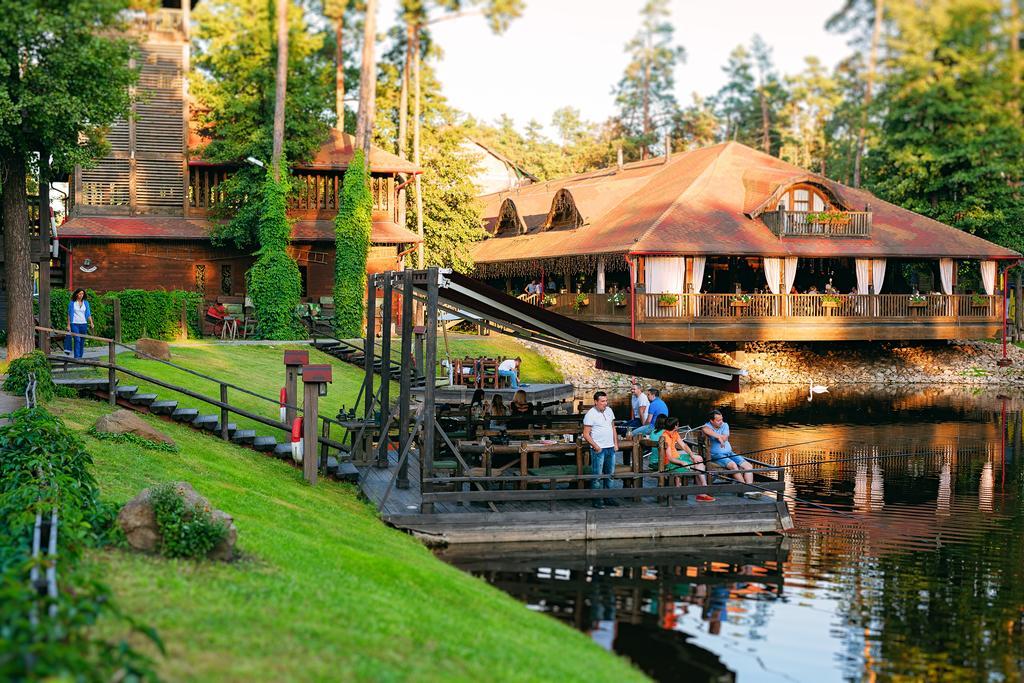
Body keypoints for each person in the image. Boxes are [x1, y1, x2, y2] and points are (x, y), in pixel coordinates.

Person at [659, 417, 714, 501]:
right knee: (698, 465)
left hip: (677, 457)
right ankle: (703, 491)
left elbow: (684, 446)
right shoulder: (665, 436)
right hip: (670, 462)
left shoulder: (675, 433)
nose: (679, 426)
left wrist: (692, 455)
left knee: (698, 459)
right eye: (678, 424)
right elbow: (670, 458)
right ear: (675, 426)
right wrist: (682, 462)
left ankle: (703, 487)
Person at [701, 409, 755, 490]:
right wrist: (718, 436)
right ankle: (745, 488)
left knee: (748, 466)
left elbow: (725, 438)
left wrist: (719, 437)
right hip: (716, 455)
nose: (721, 421)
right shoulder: (707, 426)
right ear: (711, 421)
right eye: (718, 420)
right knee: (733, 465)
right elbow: (705, 429)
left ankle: (750, 488)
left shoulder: (725, 425)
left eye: (722, 419)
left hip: (729, 453)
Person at [582, 391, 619, 509]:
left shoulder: (609, 411)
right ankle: (597, 499)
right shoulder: (590, 414)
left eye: (606, 401)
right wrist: (596, 446)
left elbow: (613, 428)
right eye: (602, 401)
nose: (605, 403)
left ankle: (608, 497)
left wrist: (616, 443)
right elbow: (586, 434)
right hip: (599, 449)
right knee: (597, 475)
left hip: (610, 447)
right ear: (596, 402)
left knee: (610, 474)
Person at [65, 288, 95, 359]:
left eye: (82, 294)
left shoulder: (86, 303)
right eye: (80, 294)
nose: (81, 295)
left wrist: (91, 322)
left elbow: (88, 314)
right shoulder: (72, 303)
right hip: (74, 324)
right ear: (76, 294)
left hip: (83, 324)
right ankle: (77, 357)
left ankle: (80, 357)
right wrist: (68, 325)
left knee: (82, 340)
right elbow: (69, 314)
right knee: (77, 339)